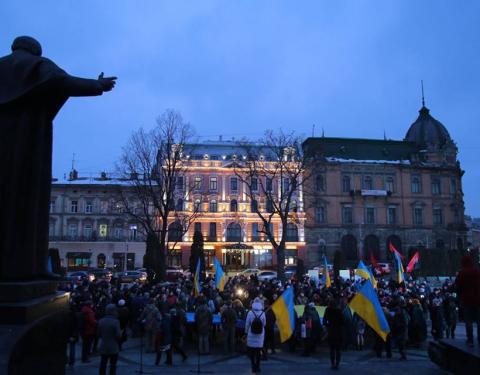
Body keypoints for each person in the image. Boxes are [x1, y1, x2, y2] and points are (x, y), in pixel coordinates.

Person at [0, 36, 116, 280]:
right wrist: (98, 85)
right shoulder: (37, 65)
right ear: (35, 49)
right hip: (27, 141)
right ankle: (32, 268)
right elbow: (63, 82)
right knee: (31, 203)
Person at [455, 255, 480, 347]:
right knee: (479, 321)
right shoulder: (477, 272)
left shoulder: (462, 273)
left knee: (468, 321)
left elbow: (458, 286)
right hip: (478, 300)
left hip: (466, 300)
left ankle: (470, 340)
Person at [97, 304, 122, 375]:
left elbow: (98, 334)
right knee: (113, 365)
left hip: (103, 345)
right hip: (113, 346)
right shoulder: (115, 321)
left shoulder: (101, 321)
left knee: (103, 364)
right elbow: (118, 335)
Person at [245, 297, 265, 373]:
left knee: (252, 353)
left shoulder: (250, 313)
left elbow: (247, 324)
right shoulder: (262, 313)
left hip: (251, 334)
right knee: (258, 352)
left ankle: (253, 366)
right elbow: (264, 324)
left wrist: (246, 332)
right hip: (260, 334)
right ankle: (258, 366)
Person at [323, 298, 344, 370]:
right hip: (339, 332)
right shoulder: (339, 311)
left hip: (331, 332)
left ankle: (332, 364)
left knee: (332, 349)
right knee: (338, 350)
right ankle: (337, 364)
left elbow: (324, 321)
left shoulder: (328, 310)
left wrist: (328, 325)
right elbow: (343, 322)